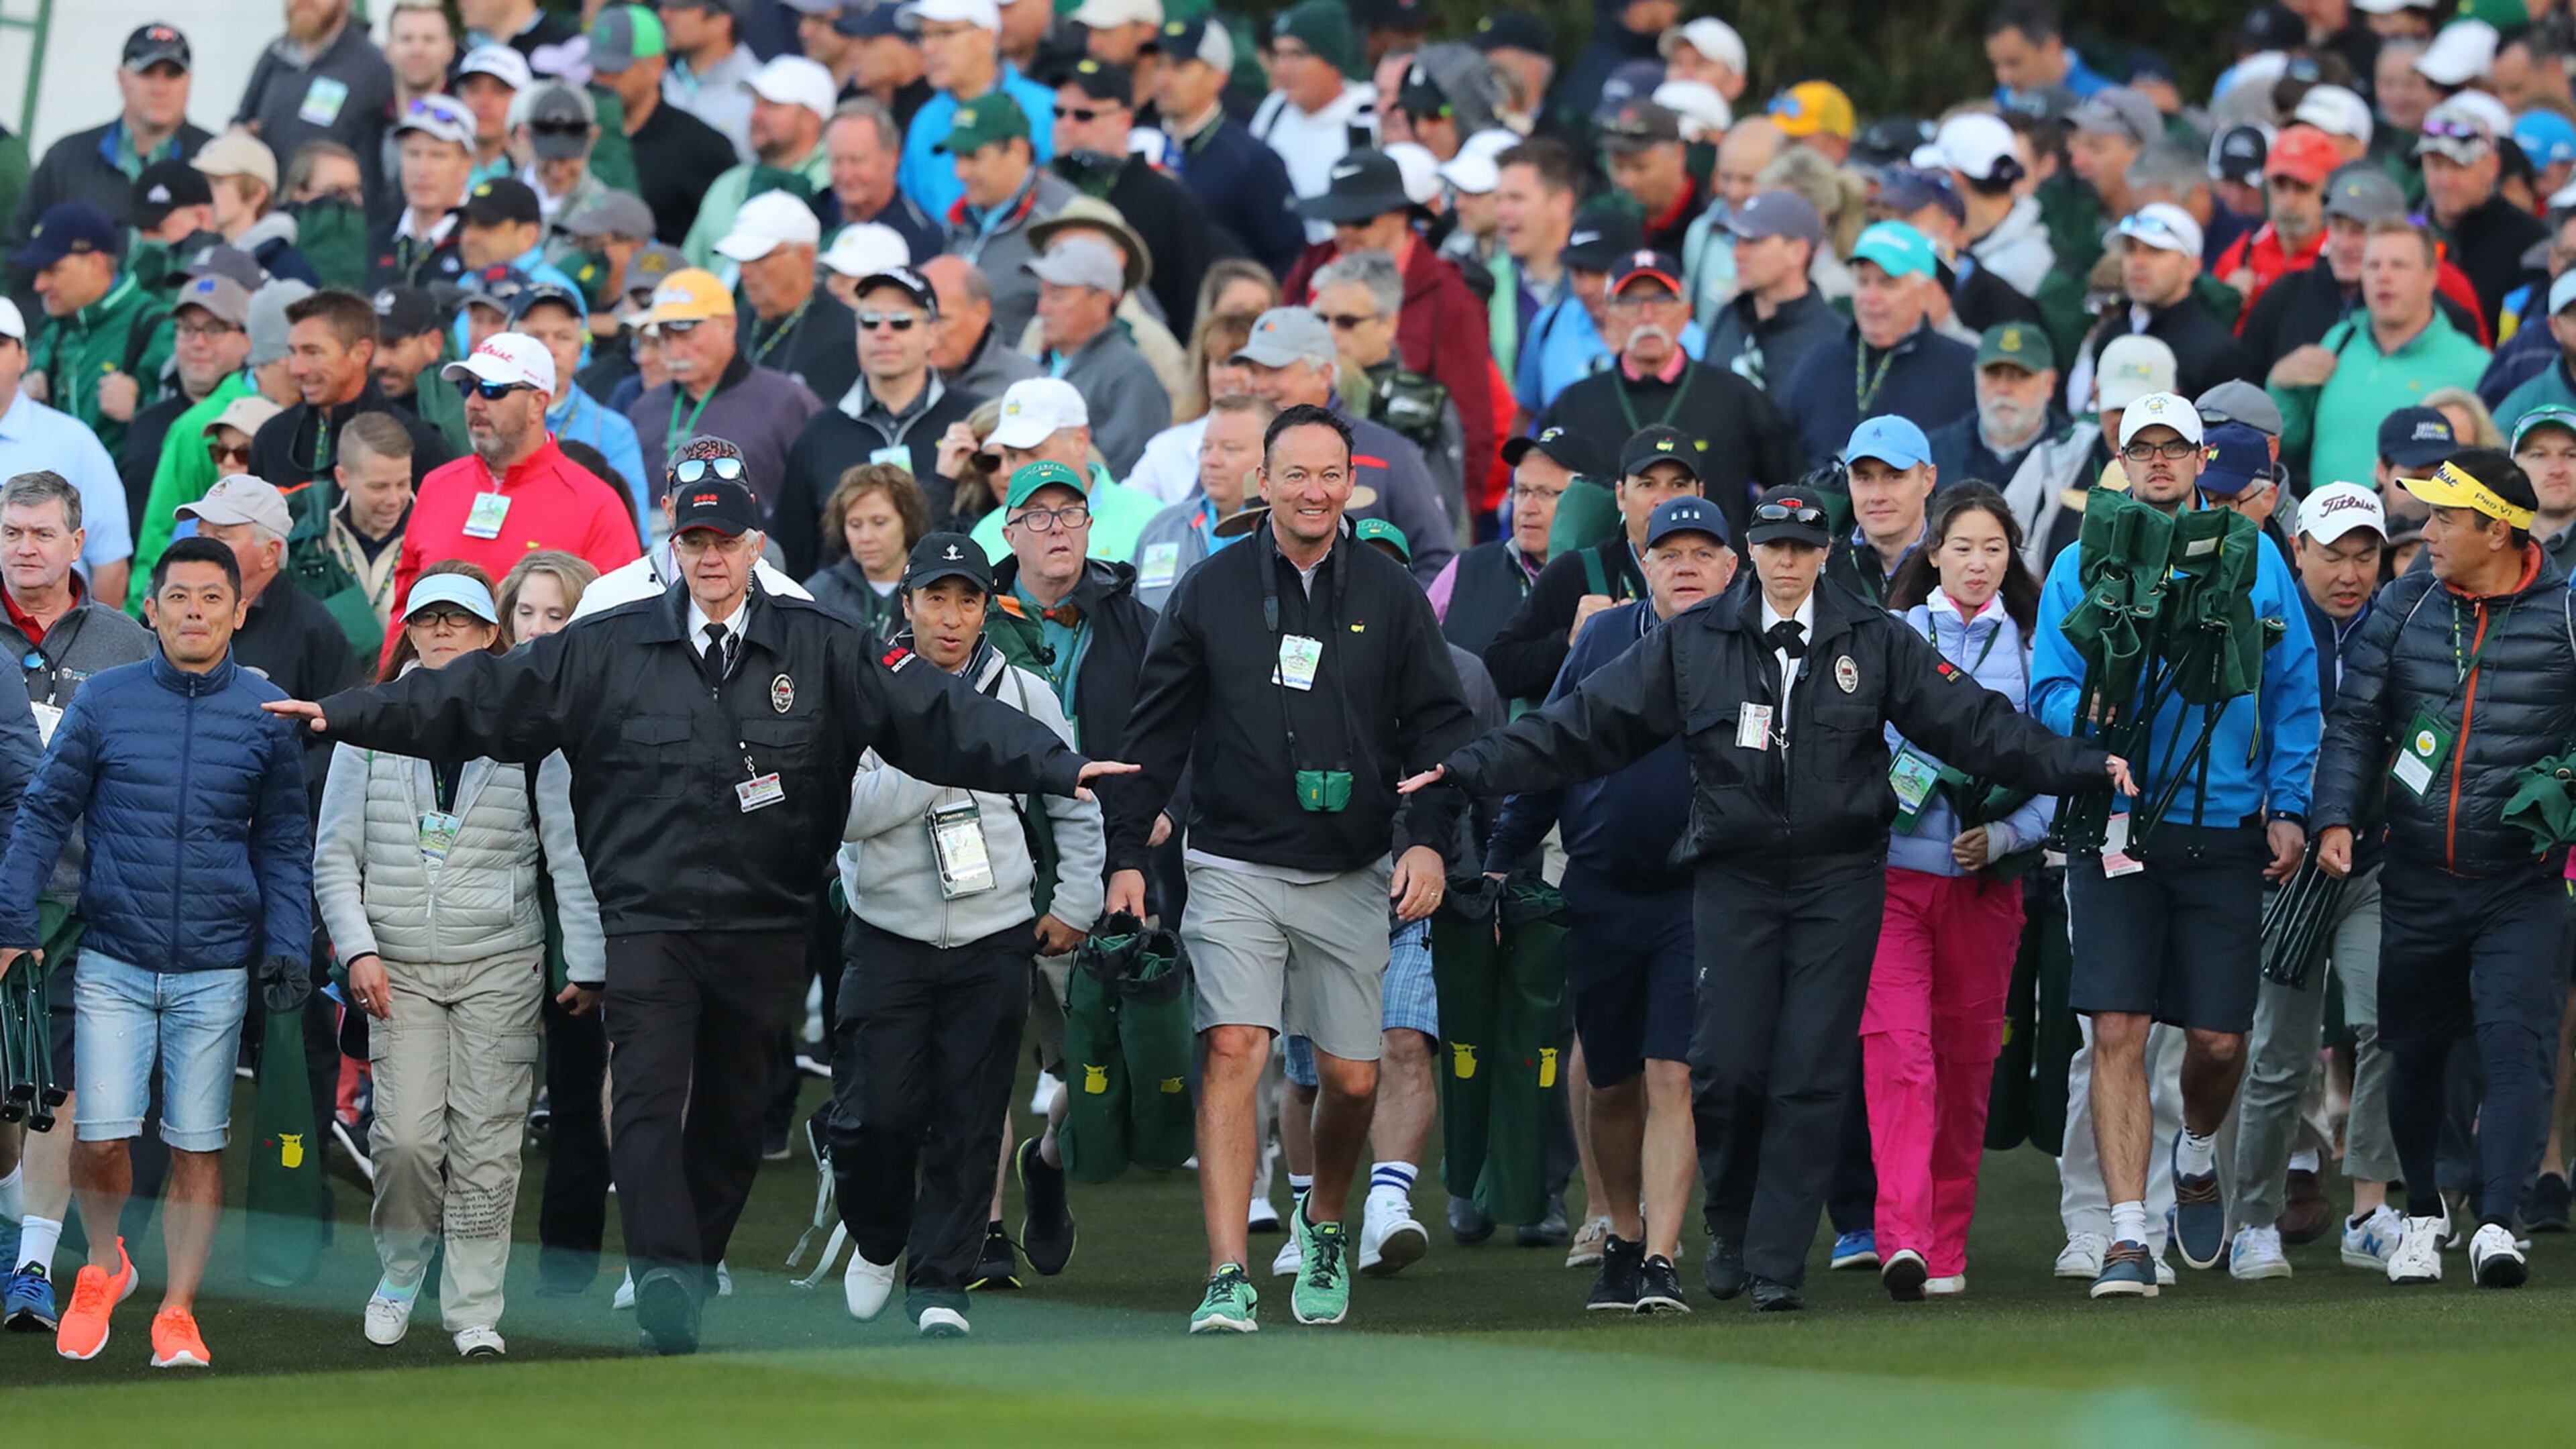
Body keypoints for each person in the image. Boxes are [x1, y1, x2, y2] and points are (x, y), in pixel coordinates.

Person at [262, 472, 1126, 1355]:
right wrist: (342, 714)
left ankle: (696, 1255)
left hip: (765, 923)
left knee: (731, 1116)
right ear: (672, 552)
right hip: (650, 919)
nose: (711, 557)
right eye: (694, 543)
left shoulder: (819, 644)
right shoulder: (606, 644)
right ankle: (667, 1272)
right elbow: (478, 694)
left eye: (727, 542)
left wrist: (1055, 767)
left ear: (756, 549)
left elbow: (932, 713)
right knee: (642, 1102)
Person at [1415, 482, 2126, 1311]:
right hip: (1733, 874)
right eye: (1772, 546)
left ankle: (1776, 1266)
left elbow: (1979, 726)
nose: (1786, 561)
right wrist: (1466, 765)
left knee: (1811, 1071)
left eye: (1802, 546)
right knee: (1725, 1068)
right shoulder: (1693, 642)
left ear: (1826, 553)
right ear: (1749, 552)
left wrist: (2086, 765)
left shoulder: (1877, 638)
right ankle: (1735, 1223)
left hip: (1841, 879)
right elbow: (1580, 726)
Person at [1103, 403, 1470, 1332]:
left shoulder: (1391, 595)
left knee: (1351, 1080)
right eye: (1295, 474)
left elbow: (1440, 730)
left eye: (1330, 475)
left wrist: (1425, 837)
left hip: (1353, 867)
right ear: (1259, 483)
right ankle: (1227, 1274)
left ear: (1353, 485)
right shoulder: (1206, 590)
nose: (1313, 491)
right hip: (1230, 861)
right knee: (1236, 1046)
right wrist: (1125, 858)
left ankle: (1328, 1221)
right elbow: (1153, 735)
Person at [2029, 392, 2321, 1299]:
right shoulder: (2078, 563)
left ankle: (2196, 1149)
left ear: (2202, 461)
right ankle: (2126, 1233)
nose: (2159, 462)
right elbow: (2045, 690)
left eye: (2175, 448)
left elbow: (2295, 690)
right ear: (2122, 460)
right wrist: (2088, 742)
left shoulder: (2261, 561)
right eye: (2142, 448)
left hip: (2227, 824)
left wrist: (2289, 801)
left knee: (2221, 1044)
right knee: (2115, 1026)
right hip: (2114, 825)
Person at [0, 535, 309, 1370]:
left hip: (216, 966)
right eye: (180, 597)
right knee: (102, 1140)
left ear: (239, 612)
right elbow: (41, 814)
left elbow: (285, 842)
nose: (195, 613)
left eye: (213, 598)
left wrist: (287, 943)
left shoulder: (269, 710)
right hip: (113, 956)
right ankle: (105, 1264)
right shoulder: (103, 700)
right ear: (152, 607)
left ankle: (177, 1310)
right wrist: (12, 922)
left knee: (197, 1145)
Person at [317, 566, 600, 1359]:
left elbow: (565, 854)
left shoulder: (530, 729)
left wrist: (585, 957)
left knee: (486, 1142)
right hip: (395, 968)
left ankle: (474, 1306)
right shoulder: (367, 724)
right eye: (427, 620)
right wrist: (358, 951)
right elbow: (334, 856)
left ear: (489, 637)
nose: (442, 633)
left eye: (459, 622)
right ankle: (402, 1269)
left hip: (500, 964)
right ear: (407, 631)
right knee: (405, 1141)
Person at [828, 527, 1103, 1338]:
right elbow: (844, 814)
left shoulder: (1024, 694)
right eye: (934, 598)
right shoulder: (864, 691)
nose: (950, 618)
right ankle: (878, 1238)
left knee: (971, 1116)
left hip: (994, 935)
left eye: (968, 600)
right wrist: (943, 753)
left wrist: (1075, 904)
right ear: (905, 603)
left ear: (988, 608)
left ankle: (939, 1281)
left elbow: (1074, 803)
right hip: (887, 933)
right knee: (873, 1115)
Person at [2313, 448, 2576, 1288]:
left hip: (2522, 884)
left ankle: (2498, 1222)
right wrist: (2333, 816)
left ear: (2498, 531)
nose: (2426, 534)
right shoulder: (2405, 601)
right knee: (2415, 1053)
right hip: (2417, 875)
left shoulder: (2567, 614)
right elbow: (2356, 722)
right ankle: (2424, 1214)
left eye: (2446, 519)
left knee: (2515, 1050)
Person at [1481, 494, 1733, 1313]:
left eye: (1703, 552)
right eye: (1671, 553)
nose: (1687, 565)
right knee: (1613, 1081)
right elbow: (1553, 743)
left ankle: (1661, 1252)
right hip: (1599, 889)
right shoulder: (1599, 638)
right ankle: (1622, 1236)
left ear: (1731, 568)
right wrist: (1503, 853)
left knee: (1673, 1073)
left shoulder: (1749, 647)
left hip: (1697, 894)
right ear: (1644, 567)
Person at [1857, 484, 2057, 1299]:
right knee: (1900, 1056)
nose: (1978, 564)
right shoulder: (1892, 636)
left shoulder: (2036, 648)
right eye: (1963, 548)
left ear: (2012, 560)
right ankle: (1900, 1238)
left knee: (1968, 1065)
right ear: (1932, 552)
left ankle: (1945, 1246)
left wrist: (2005, 837)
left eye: (1995, 550)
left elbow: (2050, 771)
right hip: (1896, 882)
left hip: (1988, 893)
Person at [2216, 480, 2402, 1279]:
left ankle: (2370, 1209)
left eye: (2366, 556)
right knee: (2279, 1055)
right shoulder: (2263, 624)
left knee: (2383, 1025)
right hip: (2283, 868)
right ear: (2299, 551)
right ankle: (2253, 1219)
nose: (2349, 573)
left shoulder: (2401, 628)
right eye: (2333, 555)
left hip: (2372, 863)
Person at [0, 469, 154, 1332]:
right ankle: (18, 1227)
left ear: (76, 541)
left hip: (88, 899)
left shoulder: (127, 643)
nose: (25, 548)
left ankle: (30, 1264)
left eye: (41, 534)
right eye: (12, 533)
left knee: (52, 1085)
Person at [1534, 254, 1795, 551]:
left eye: (1661, 300)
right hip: (1607, 586)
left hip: (1722, 584)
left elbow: (1788, 487)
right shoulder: (1574, 405)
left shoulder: (1736, 397)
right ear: (1610, 313)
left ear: (1685, 312)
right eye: (1631, 302)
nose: (1647, 316)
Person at [1283, 152, 1498, 510]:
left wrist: (1453, 536)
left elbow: (1472, 433)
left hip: (1412, 496)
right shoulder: (1310, 268)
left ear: (1401, 217)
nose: (1346, 232)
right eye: (1337, 220)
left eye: (1361, 219)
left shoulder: (1451, 298)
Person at [393, 333, 641, 616]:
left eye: (491, 389)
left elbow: (622, 623)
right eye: (467, 387)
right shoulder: (437, 485)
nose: (473, 402)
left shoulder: (596, 504)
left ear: (537, 402)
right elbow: (403, 608)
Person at [2269, 219, 2491, 503]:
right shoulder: (2339, 341)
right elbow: (2290, 440)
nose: (2383, 277)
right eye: (2373, 265)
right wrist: (2280, 387)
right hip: (2327, 532)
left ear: (2431, 276)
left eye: (2398, 266)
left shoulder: (2472, 365)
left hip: (2416, 538)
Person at [780, 265, 978, 578]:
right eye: (869, 322)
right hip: (845, 621)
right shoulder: (820, 431)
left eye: (900, 322)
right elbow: (795, 556)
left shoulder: (972, 419)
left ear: (933, 334)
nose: (883, 333)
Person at [1228, 309, 1456, 582]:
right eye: (1254, 371)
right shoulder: (1229, 444)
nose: (1259, 385)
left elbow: (1437, 562)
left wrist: (1389, 617)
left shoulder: (1389, 453)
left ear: (1324, 373)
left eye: (1275, 370)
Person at [1481, 425, 1699, 702]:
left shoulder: (1728, 578)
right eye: (1647, 484)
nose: (1663, 500)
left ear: (1699, 493)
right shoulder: (1577, 572)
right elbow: (1500, 667)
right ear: (1620, 495)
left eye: (1678, 485)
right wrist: (1572, 641)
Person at [1780, 221, 1980, 470]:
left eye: (1888, 284)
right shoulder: (1817, 364)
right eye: (1863, 282)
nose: (1870, 298)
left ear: (1925, 292)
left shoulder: (1964, 369)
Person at [623, 268, 823, 511]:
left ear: (728, 326)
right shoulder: (643, 409)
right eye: (665, 338)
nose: (675, 352)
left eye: (686, 334)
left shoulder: (788, 402)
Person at [1050, 59, 1214, 336]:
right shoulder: (1044, 186)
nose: (1066, 124)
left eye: (1083, 115)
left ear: (1124, 120)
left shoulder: (1166, 199)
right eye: (1059, 112)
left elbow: (1190, 299)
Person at [1313, 250, 1469, 532]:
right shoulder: (1301, 387)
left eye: (1346, 322)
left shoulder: (1424, 403)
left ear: (1389, 324)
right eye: (1321, 319)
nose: (1330, 333)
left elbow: (1442, 515)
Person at [9, 25, 209, 244]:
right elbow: (19, 247)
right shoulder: (67, 157)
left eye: (173, 74)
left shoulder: (218, 165)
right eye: (146, 72)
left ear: (189, 80)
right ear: (121, 78)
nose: (159, 88)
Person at [12, 203, 172, 466]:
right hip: (59, 498)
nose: (39, 285)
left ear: (96, 264)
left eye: (52, 269)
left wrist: (139, 412)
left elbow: (194, 431)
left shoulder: (156, 326)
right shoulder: (55, 329)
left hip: (128, 500)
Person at [0, 301, 134, 610]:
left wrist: (88, 649)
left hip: (57, 647)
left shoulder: (72, 441)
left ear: (23, 357)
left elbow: (110, 565)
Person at [963, 378, 1166, 566]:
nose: (1011, 471)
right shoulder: (989, 531)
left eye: (1033, 453)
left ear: (1080, 441)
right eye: (1012, 455)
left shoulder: (1151, 519)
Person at [1157, 17, 1303, 276]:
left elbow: (1287, 258)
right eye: (1160, 65)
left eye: (1180, 66)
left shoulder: (1251, 159)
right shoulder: (1138, 141)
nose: (1165, 79)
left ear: (1218, 77)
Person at [1430, 426, 1592, 657]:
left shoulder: (1609, 578)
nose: (1527, 508)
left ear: (1586, 499)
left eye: (1546, 494)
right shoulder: (1465, 568)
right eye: (1522, 491)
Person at [2070, 203, 2250, 406]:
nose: (2138, 262)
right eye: (2130, 249)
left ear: (2191, 266)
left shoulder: (2218, 352)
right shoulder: (2110, 334)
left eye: (2155, 251)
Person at [588, 5, 740, 247]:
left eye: (617, 69)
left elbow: (725, 236)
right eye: (598, 68)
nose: (604, 80)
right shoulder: (579, 132)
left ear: (657, 66)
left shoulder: (702, 147)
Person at [898, 0, 1058, 222]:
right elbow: (914, 213)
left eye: (945, 33)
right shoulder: (925, 120)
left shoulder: (1048, 109)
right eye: (924, 36)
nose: (928, 48)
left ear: (987, 37)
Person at [937, 101, 1079, 349]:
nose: (960, 172)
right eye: (957, 157)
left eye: (973, 157)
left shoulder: (1063, 217)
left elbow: (1124, 316)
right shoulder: (960, 217)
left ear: (1018, 150)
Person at [1029, 239, 1170, 480]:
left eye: (1057, 295)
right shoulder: (1040, 362)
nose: (1043, 308)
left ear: (1101, 301)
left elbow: (1122, 473)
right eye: (1042, 293)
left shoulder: (1130, 375)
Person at [680, 57, 836, 272]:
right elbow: (689, 268)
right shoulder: (728, 183)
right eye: (755, 103)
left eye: (772, 105)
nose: (755, 115)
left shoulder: (833, 185)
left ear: (812, 118)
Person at [508, 286, 646, 527]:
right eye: (536, 337)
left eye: (563, 337)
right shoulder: (485, 415)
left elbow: (635, 529)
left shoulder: (611, 432)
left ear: (580, 349)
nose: (550, 350)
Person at [231, 0, 396, 201]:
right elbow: (242, 121)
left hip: (339, 222)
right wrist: (239, 138)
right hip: (275, 218)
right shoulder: (275, 55)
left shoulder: (373, 68)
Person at [1251, 1, 1381, 248]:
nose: (1281, 69)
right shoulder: (1274, 110)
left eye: (1296, 55)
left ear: (1333, 62)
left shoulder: (1367, 114)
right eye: (1278, 54)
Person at [2418, 99, 2549, 333]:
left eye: (2459, 166)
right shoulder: (2409, 229)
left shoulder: (2529, 240)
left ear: (2493, 166)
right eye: (2436, 165)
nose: (2446, 181)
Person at [1132, 393, 1272, 612]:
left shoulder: (1285, 533)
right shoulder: (1164, 528)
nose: (1211, 461)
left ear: (1271, 457)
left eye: (1230, 449)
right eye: (1206, 448)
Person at [1703, 191, 1841, 397]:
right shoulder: (1728, 318)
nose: (1737, 254)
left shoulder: (1834, 340)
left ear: (1797, 252)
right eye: (1737, 241)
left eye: (1753, 242)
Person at [804, 464, 932, 637]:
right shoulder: (820, 594)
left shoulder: (933, 588)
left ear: (907, 522)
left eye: (879, 522)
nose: (865, 537)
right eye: (855, 525)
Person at [368, 95, 477, 290]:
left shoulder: (482, 240)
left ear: (466, 165)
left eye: (438, 155)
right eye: (413, 154)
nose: (423, 170)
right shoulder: (376, 239)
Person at [188, 131, 318, 286]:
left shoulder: (288, 271)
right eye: (203, 182)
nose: (204, 192)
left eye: (218, 182)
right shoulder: (196, 252)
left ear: (257, 194)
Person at [822, 101, 945, 264]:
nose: (846, 176)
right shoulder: (815, 216)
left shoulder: (920, 236)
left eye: (857, 161)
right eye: (837, 161)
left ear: (893, 157)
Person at [1833, 416, 1937, 605]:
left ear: (1928, 480)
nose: (1878, 496)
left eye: (1894, 477)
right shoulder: (1822, 569)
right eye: (1864, 478)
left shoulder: (1957, 565)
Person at [657, 0, 761, 160]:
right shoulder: (655, 80)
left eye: (680, 8)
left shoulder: (760, 92)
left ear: (720, 22)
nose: (664, 15)